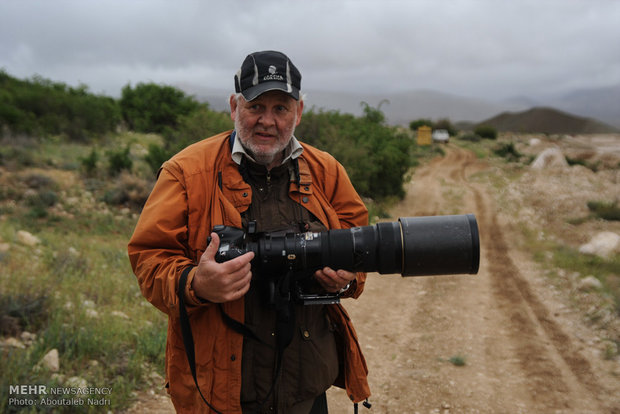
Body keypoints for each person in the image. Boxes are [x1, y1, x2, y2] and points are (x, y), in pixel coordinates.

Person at [128, 50, 370, 414]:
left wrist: (348, 277)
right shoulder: (185, 172)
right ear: (234, 106)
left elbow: (359, 243)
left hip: (305, 389)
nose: (267, 121)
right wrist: (196, 284)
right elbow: (149, 259)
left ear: (299, 112)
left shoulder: (327, 172)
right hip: (224, 393)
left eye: (281, 108)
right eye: (256, 106)